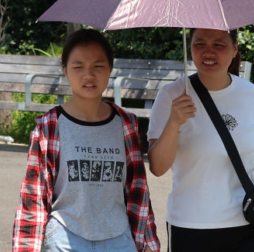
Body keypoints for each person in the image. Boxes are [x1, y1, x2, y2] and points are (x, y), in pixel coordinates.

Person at [147, 28, 254, 251]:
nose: (209, 52)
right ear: (190, 48)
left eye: (218, 44)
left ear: (235, 49)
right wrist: (174, 122)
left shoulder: (250, 93)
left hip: (248, 221)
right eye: (200, 44)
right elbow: (158, 167)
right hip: (191, 226)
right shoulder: (172, 95)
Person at [13, 29, 159, 252]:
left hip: (118, 238)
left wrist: (147, 242)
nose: (88, 74)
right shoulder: (49, 126)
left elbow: (137, 187)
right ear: (65, 70)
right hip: (64, 237)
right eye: (78, 66)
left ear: (110, 69)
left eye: (98, 66)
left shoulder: (126, 124)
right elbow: (34, 195)